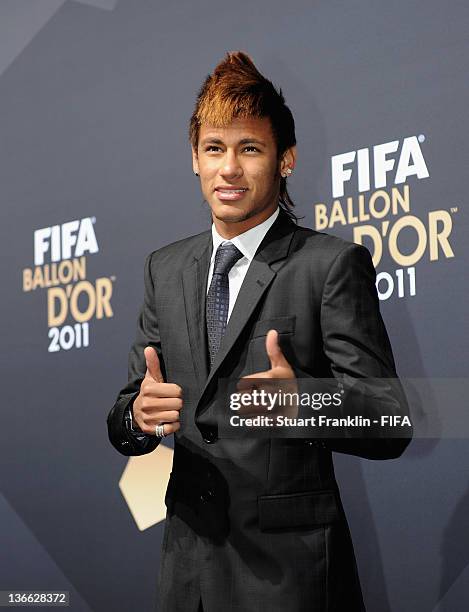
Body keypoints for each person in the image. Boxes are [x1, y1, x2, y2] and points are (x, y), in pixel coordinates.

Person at [107, 51, 411, 612]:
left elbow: (390, 420)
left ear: (285, 159)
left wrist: (304, 405)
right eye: (214, 149)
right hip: (187, 574)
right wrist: (138, 416)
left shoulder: (329, 265)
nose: (229, 169)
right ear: (194, 159)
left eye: (250, 148)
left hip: (290, 576)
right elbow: (129, 409)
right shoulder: (164, 269)